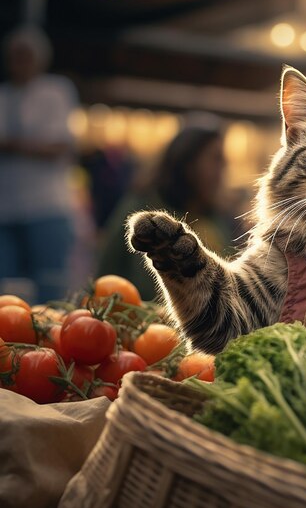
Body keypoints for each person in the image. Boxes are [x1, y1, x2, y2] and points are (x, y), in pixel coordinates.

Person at [97, 124, 237, 300]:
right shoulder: (141, 210)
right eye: (216, 159)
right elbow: (105, 273)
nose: (223, 168)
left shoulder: (218, 220)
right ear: (188, 163)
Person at [0, 26, 80, 304]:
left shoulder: (55, 91)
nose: (19, 62)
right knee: (5, 291)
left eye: (25, 55)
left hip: (47, 207)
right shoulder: (3, 94)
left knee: (50, 288)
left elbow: (60, 145)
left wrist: (12, 145)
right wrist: (32, 145)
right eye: (14, 55)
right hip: (5, 210)